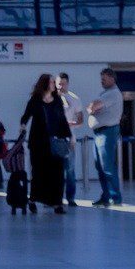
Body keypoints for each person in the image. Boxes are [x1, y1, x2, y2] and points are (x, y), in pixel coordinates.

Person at [20, 73, 71, 214]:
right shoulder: (35, 100)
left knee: (57, 173)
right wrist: (23, 125)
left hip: (55, 141)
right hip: (38, 142)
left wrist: (69, 137)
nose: (54, 84)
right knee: (38, 172)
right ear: (45, 84)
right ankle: (33, 199)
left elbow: (62, 120)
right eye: (51, 82)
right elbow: (25, 116)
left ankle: (57, 203)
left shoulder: (57, 100)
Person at [87, 67, 124, 207]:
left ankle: (115, 197)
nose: (101, 81)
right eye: (101, 79)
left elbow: (93, 106)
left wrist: (93, 108)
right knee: (100, 166)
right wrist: (93, 107)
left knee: (107, 166)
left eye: (104, 79)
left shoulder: (113, 93)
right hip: (99, 133)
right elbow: (91, 107)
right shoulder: (105, 93)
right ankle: (106, 195)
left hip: (107, 132)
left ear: (112, 79)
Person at [56, 72, 84, 207]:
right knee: (55, 170)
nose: (61, 86)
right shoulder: (51, 98)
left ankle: (70, 197)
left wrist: (70, 124)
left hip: (69, 139)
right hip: (55, 140)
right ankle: (54, 197)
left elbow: (80, 120)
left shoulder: (75, 99)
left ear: (68, 83)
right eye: (59, 83)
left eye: (64, 83)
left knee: (70, 170)